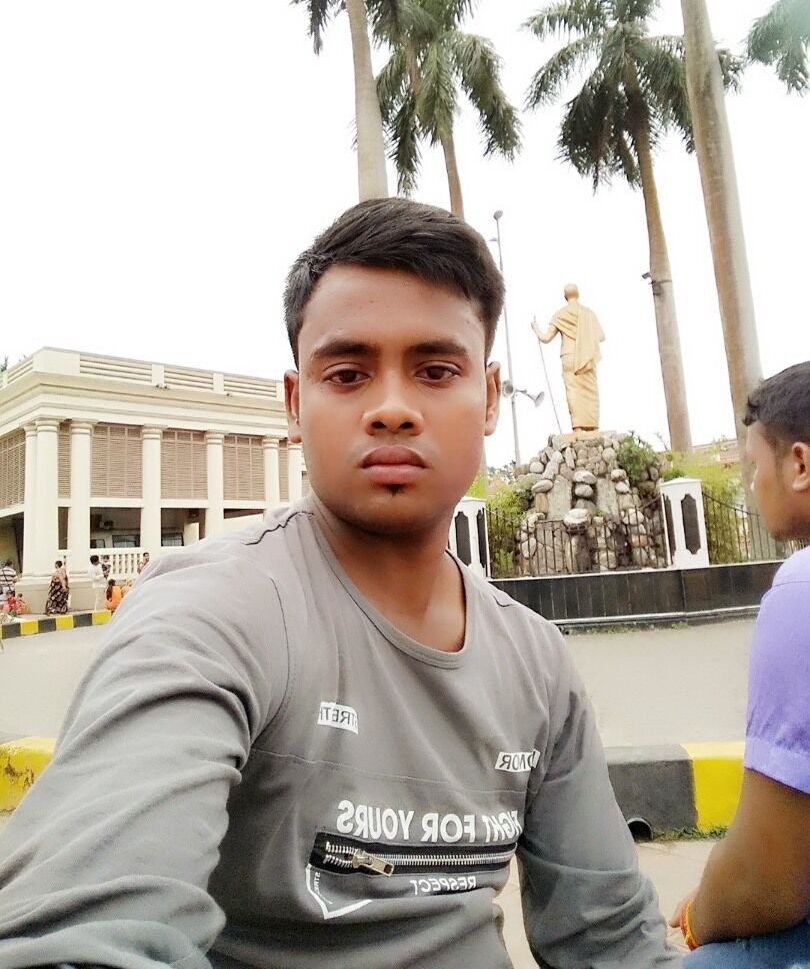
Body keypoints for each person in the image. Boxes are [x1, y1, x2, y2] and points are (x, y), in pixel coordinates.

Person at [0, 199, 679, 968]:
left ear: (489, 397)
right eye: (349, 374)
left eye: (435, 371)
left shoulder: (536, 662)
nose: (392, 409)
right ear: (297, 405)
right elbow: (86, 929)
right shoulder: (213, 612)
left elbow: (609, 938)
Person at [670, 362, 810, 965]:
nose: (753, 484)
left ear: (799, 465)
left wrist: (700, 916)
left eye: (754, 465)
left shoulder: (801, 591)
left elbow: (765, 881)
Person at [531, 283, 605, 431]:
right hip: (587, 356)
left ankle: (577, 427)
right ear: (578, 294)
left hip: (569, 356)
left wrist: (535, 327)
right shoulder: (589, 314)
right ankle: (593, 427)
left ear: (565, 296)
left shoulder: (560, 314)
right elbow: (601, 336)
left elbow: (545, 338)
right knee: (591, 390)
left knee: (573, 390)